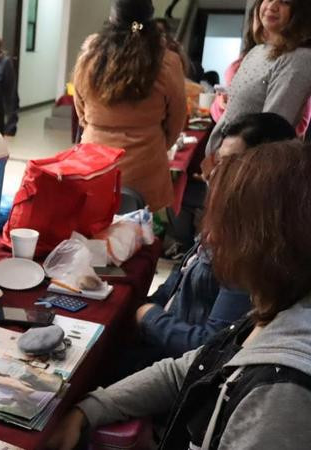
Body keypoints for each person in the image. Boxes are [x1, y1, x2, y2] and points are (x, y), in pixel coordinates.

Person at [47, 138, 311, 450]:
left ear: (267, 243)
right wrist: (89, 409)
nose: (210, 237)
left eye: (226, 224)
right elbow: (187, 370)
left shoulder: (279, 393)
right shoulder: (273, 315)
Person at [116, 113, 296, 379]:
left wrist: (147, 316)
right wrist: (145, 309)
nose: (211, 174)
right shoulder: (224, 222)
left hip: (174, 369)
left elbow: (212, 348)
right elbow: (173, 287)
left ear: (264, 175)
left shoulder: (250, 251)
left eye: (230, 165)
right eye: (218, 161)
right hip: (159, 345)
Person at [73, 0, 186, 211]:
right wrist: (157, 143)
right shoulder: (168, 61)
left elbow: (81, 110)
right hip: (146, 174)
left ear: (111, 20)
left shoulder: (90, 56)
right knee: (143, 237)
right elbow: (177, 119)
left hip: (94, 167)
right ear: (151, 21)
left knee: (92, 232)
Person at [205, 0, 311, 156]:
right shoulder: (258, 50)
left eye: (285, 2)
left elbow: (270, 133)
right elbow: (229, 115)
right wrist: (212, 157)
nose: (272, 6)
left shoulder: (299, 58)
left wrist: (222, 160)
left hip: (250, 170)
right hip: (225, 162)